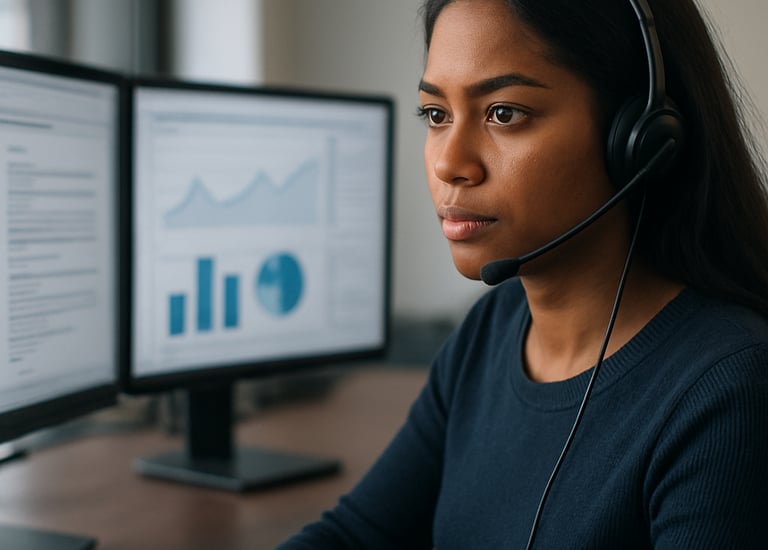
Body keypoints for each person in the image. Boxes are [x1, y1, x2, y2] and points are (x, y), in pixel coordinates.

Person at [277, 0, 768, 547]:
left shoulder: (728, 390)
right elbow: (358, 535)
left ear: (639, 138)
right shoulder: (492, 327)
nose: (449, 164)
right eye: (436, 115)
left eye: (504, 113)